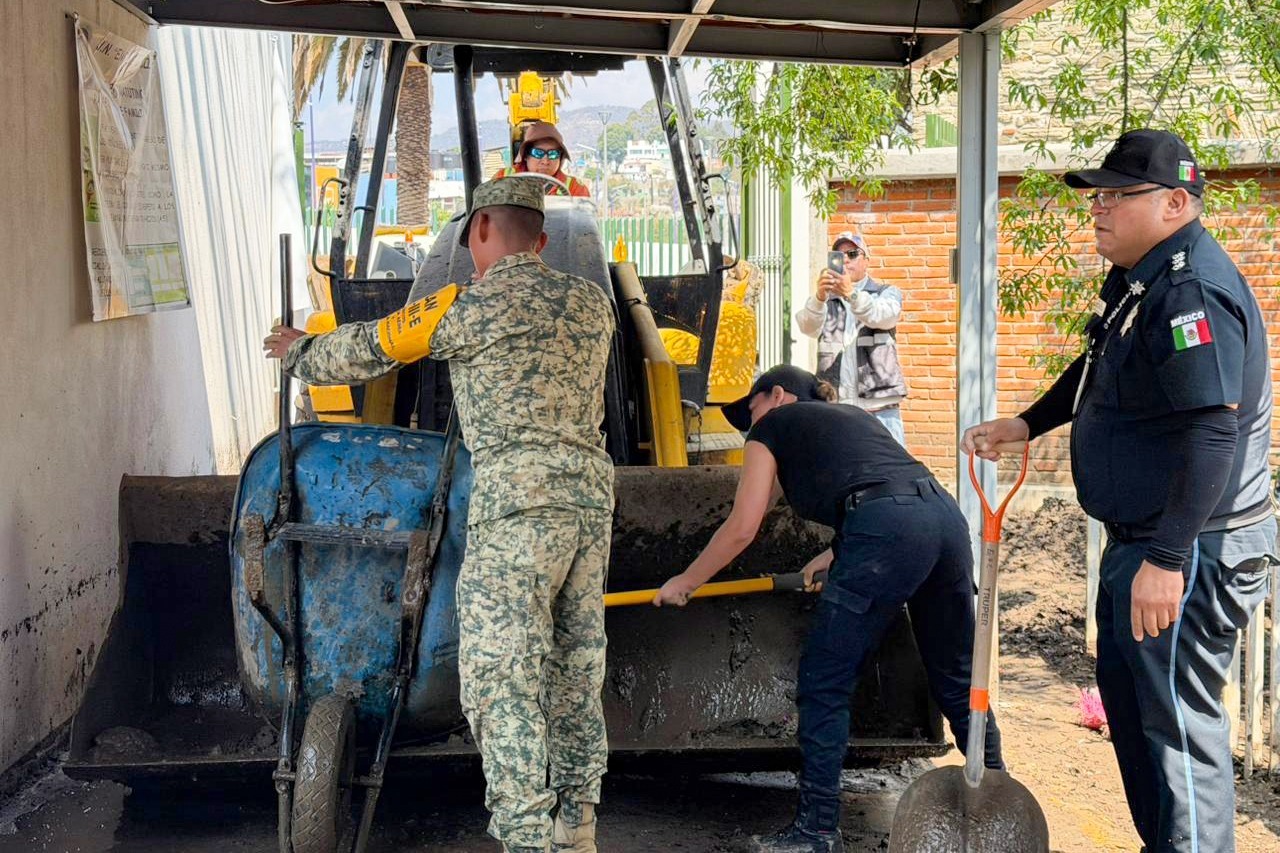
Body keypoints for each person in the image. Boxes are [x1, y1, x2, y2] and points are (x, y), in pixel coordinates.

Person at [263, 178, 615, 853]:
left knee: (502, 675)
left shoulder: (465, 308)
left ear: (479, 231)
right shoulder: (594, 304)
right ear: (541, 242)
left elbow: (374, 346)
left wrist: (298, 352)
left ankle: (525, 838)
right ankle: (577, 824)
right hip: (590, 502)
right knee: (574, 664)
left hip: (517, 505)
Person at [962, 129, 1275, 853]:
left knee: (1179, 738)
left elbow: (1211, 432)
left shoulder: (1192, 288)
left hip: (1191, 548)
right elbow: (1099, 362)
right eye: (1096, 195)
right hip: (1146, 544)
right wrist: (1027, 421)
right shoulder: (1145, 279)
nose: (1097, 208)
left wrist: (1168, 557)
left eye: (1114, 195)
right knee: (1135, 719)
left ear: (1174, 202)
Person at [654, 364, 1003, 853]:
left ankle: (815, 832)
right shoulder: (853, 419)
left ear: (777, 396)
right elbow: (886, 489)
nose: (746, 426)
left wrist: (686, 582)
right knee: (957, 676)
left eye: (748, 411)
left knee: (824, 679)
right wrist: (840, 550)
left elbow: (742, 527)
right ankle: (997, 814)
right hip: (943, 519)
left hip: (885, 529)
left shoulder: (773, 426)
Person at [795, 232, 907, 446]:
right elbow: (807, 327)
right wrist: (819, 297)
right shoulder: (825, 300)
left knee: (892, 470)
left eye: (852, 254)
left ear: (866, 261)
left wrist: (850, 294)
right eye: (839, 255)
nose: (845, 259)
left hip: (879, 406)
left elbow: (882, 316)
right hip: (837, 405)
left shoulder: (886, 293)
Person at [493, 120, 592, 198]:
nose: (545, 161)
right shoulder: (502, 178)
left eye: (553, 154)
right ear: (526, 155)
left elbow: (584, 222)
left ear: (560, 158)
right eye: (538, 153)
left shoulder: (575, 188)